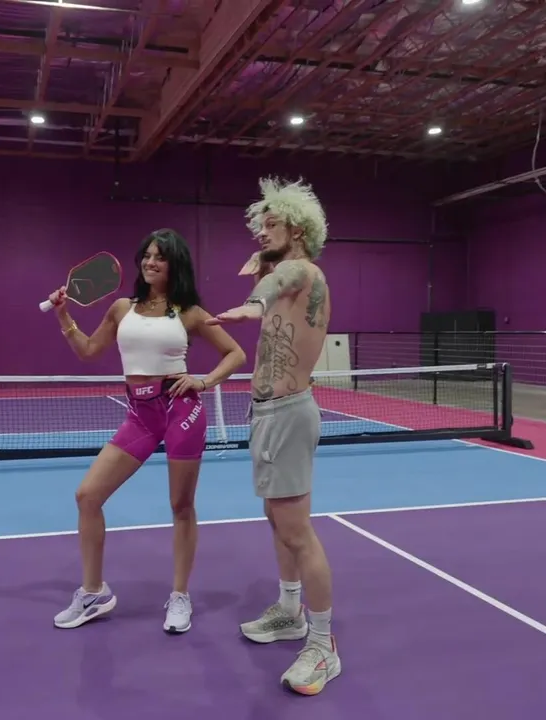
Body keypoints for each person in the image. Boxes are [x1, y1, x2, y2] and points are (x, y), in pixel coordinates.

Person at [46, 228, 246, 634]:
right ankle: (94, 593)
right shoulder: (122, 308)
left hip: (180, 408)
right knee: (87, 496)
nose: (150, 262)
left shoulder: (188, 312)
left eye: (160, 257)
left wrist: (204, 381)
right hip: (140, 414)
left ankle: (180, 596)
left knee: (181, 505)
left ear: (175, 264)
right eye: (147, 255)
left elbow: (236, 353)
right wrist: (63, 314)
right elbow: (88, 351)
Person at [206, 177, 340, 695]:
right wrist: (263, 260)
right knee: (277, 519)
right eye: (258, 226)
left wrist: (253, 303)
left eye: (271, 224)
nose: (261, 233)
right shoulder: (284, 272)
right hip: (266, 413)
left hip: (288, 414)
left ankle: (323, 645)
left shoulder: (303, 271)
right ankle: (290, 610)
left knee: (297, 531)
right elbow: (271, 271)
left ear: (299, 229)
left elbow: (279, 278)